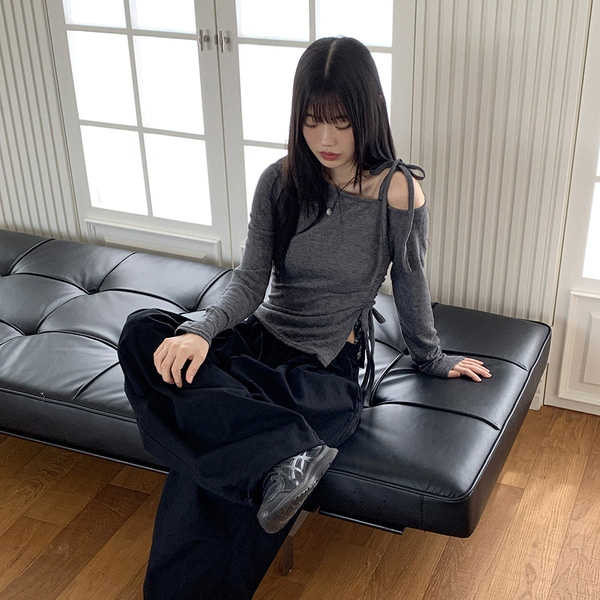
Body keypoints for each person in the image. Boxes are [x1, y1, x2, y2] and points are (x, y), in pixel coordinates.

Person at [117, 36, 491, 600]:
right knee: (143, 332)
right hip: (258, 344)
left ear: (368, 113)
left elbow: (411, 283)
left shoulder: (397, 192)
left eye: (341, 122)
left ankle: (264, 457)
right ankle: (282, 456)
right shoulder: (280, 180)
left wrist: (432, 357)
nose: (325, 139)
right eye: (312, 121)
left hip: (322, 370)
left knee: (212, 458)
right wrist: (200, 330)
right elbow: (250, 282)